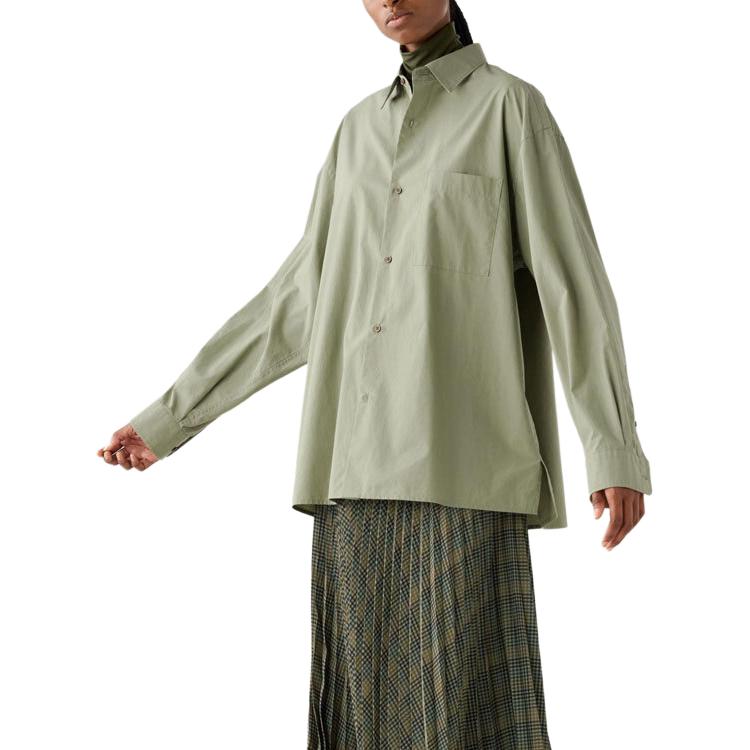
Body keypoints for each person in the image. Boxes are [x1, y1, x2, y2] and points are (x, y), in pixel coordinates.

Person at [98, 1, 653, 747]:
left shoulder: (511, 109)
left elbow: (574, 287)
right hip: (352, 473)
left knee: (468, 719)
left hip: (463, 465)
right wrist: (170, 419)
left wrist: (612, 450)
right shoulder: (356, 131)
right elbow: (297, 301)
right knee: (363, 721)